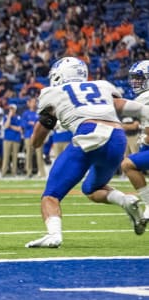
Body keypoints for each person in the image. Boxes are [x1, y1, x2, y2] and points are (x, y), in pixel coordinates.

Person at [26, 57, 147, 248]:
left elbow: (37, 139)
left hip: (89, 135)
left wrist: (35, 141)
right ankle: (126, 200)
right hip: (117, 138)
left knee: (51, 195)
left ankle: (54, 234)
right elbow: (128, 107)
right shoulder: (102, 86)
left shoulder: (53, 92)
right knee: (91, 188)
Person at [120, 60, 149, 230]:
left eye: (139, 78)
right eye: (134, 78)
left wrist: (144, 139)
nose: (135, 82)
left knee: (128, 164)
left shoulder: (145, 98)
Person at [21, 97, 46, 178]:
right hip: (28, 136)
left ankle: (42, 173)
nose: (34, 103)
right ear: (29, 103)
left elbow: (42, 124)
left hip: (38, 136)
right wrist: (32, 124)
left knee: (40, 154)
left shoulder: (39, 113)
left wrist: (33, 123)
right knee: (29, 154)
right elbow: (23, 125)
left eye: (35, 102)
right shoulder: (25, 113)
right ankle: (29, 172)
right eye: (32, 102)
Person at [0, 104, 23, 177]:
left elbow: (19, 129)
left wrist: (10, 126)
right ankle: (3, 172)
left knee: (15, 157)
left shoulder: (18, 117)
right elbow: (6, 126)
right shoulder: (6, 117)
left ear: (15, 110)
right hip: (7, 139)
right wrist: (9, 117)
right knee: (6, 156)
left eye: (12, 109)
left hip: (16, 139)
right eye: (10, 109)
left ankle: (14, 173)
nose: (11, 110)